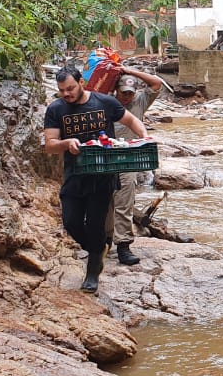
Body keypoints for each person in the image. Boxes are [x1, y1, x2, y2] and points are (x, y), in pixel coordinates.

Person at [43, 66, 148, 294]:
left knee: (96, 223)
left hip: (103, 174)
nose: (67, 94)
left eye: (70, 88)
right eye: (62, 90)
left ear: (82, 82)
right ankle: (97, 248)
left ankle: (92, 273)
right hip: (75, 173)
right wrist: (66, 143)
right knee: (71, 221)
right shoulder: (56, 109)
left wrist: (145, 137)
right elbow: (50, 144)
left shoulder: (104, 103)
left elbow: (131, 121)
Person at [107, 68, 163, 265]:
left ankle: (123, 245)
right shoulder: (107, 102)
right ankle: (105, 239)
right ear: (116, 90)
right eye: (123, 92)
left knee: (125, 201)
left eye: (130, 93)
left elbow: (157, 83)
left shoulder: (140, 101)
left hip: (127, 159)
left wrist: (129, 70)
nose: (127, 97)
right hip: (104, 156)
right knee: (104, 202)